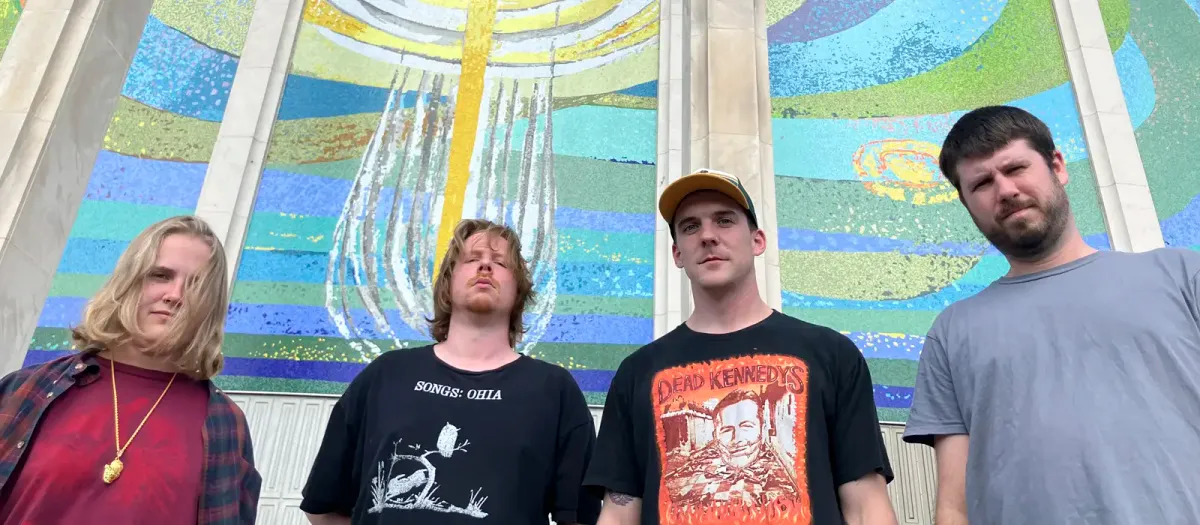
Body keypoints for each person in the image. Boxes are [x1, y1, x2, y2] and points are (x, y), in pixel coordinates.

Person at [902, 105, 1200, 524]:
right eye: (982, 183)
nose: (1005, 190)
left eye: (1015, 168)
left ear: (1057, 166)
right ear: (967, 204)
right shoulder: (952, 333)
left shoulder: (1182, 277)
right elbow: (954, 506)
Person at [583, 169, 898, 525]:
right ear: (677, 253)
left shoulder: (831, 354)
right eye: (690, 226)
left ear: (757, 240)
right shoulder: (637, 373)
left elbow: (866, 506)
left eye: (724, 220)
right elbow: (619, 513)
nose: (707, 236)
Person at [300, 218, 601, 525]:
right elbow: (323, 506)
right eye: (472, 259)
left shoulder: (553, 390)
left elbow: (581, 517)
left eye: (500, 262)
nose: (485, 266)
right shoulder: (386, 376)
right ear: (448, 281)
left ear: (519, 290)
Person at [0, 215, 261, 524]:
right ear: (127, 281)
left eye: (196, 285)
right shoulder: (23, 391)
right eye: (160, 275)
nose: (175, 295)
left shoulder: (227, 426)